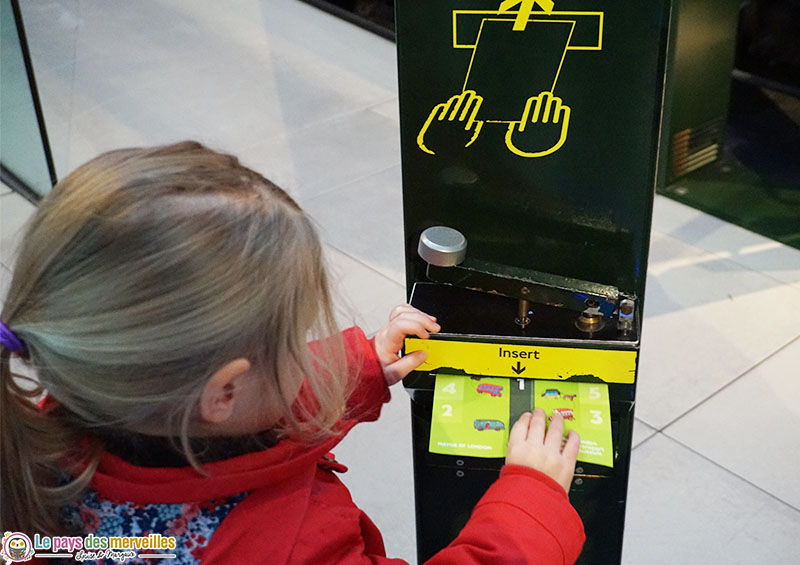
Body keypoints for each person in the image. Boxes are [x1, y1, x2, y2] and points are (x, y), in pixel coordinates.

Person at [0, 141, 584, 564]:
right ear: (223, 391)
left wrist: (359, 366)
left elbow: (224, 413)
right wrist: (528, 506)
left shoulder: (52, 437)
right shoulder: (299, 547)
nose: (305, 358)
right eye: (291, 343)